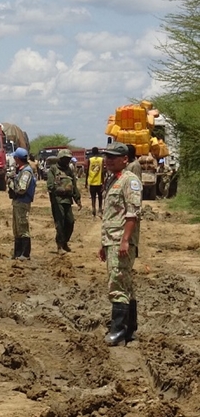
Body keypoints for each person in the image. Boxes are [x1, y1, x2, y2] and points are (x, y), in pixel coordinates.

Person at [98, 142, 141, 346]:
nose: (109, 160)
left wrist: (124, 240)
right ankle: (130, 328)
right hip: (112, 240)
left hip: (121, 242)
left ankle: (118, 331)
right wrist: (104, 243)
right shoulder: (113, 180)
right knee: (125, 284)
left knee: (117, 283)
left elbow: (132, 214)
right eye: (107, 156)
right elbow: (111, 215)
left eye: (113, 157)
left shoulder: (129, 181)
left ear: (125, 159)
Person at [47, 148, 82, 253]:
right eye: (65, 158)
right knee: (60, 222)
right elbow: (50, 185)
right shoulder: (53, 169)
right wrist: (61, 190)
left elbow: (74, 186)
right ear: (60, 159)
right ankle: (59, 245)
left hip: (68, 200)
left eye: (68, 159)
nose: (67, 161)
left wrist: (78, 199)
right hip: (57, 201)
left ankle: (65, 242)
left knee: (70, 222)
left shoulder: (69, 171)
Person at [8, 148, 36, 260]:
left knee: (22, 227)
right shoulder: (21, 170)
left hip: (22, 202)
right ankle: (17, 253)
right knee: (17, 228)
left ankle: (25, 253)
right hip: (18, 202)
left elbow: (22, 188)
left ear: (17, 159)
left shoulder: (26, 172)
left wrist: (11, 184)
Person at [86, 147, 104, 217]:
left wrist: (86, 182)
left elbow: (87, 171)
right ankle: (100, 209)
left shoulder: (90, 160)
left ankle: (93, 208)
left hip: (92, 181)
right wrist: (103, 182)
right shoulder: (101, 159)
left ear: (92, 152)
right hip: (99, 181)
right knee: (100, 196)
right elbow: (102, 171)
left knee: (93, 196)